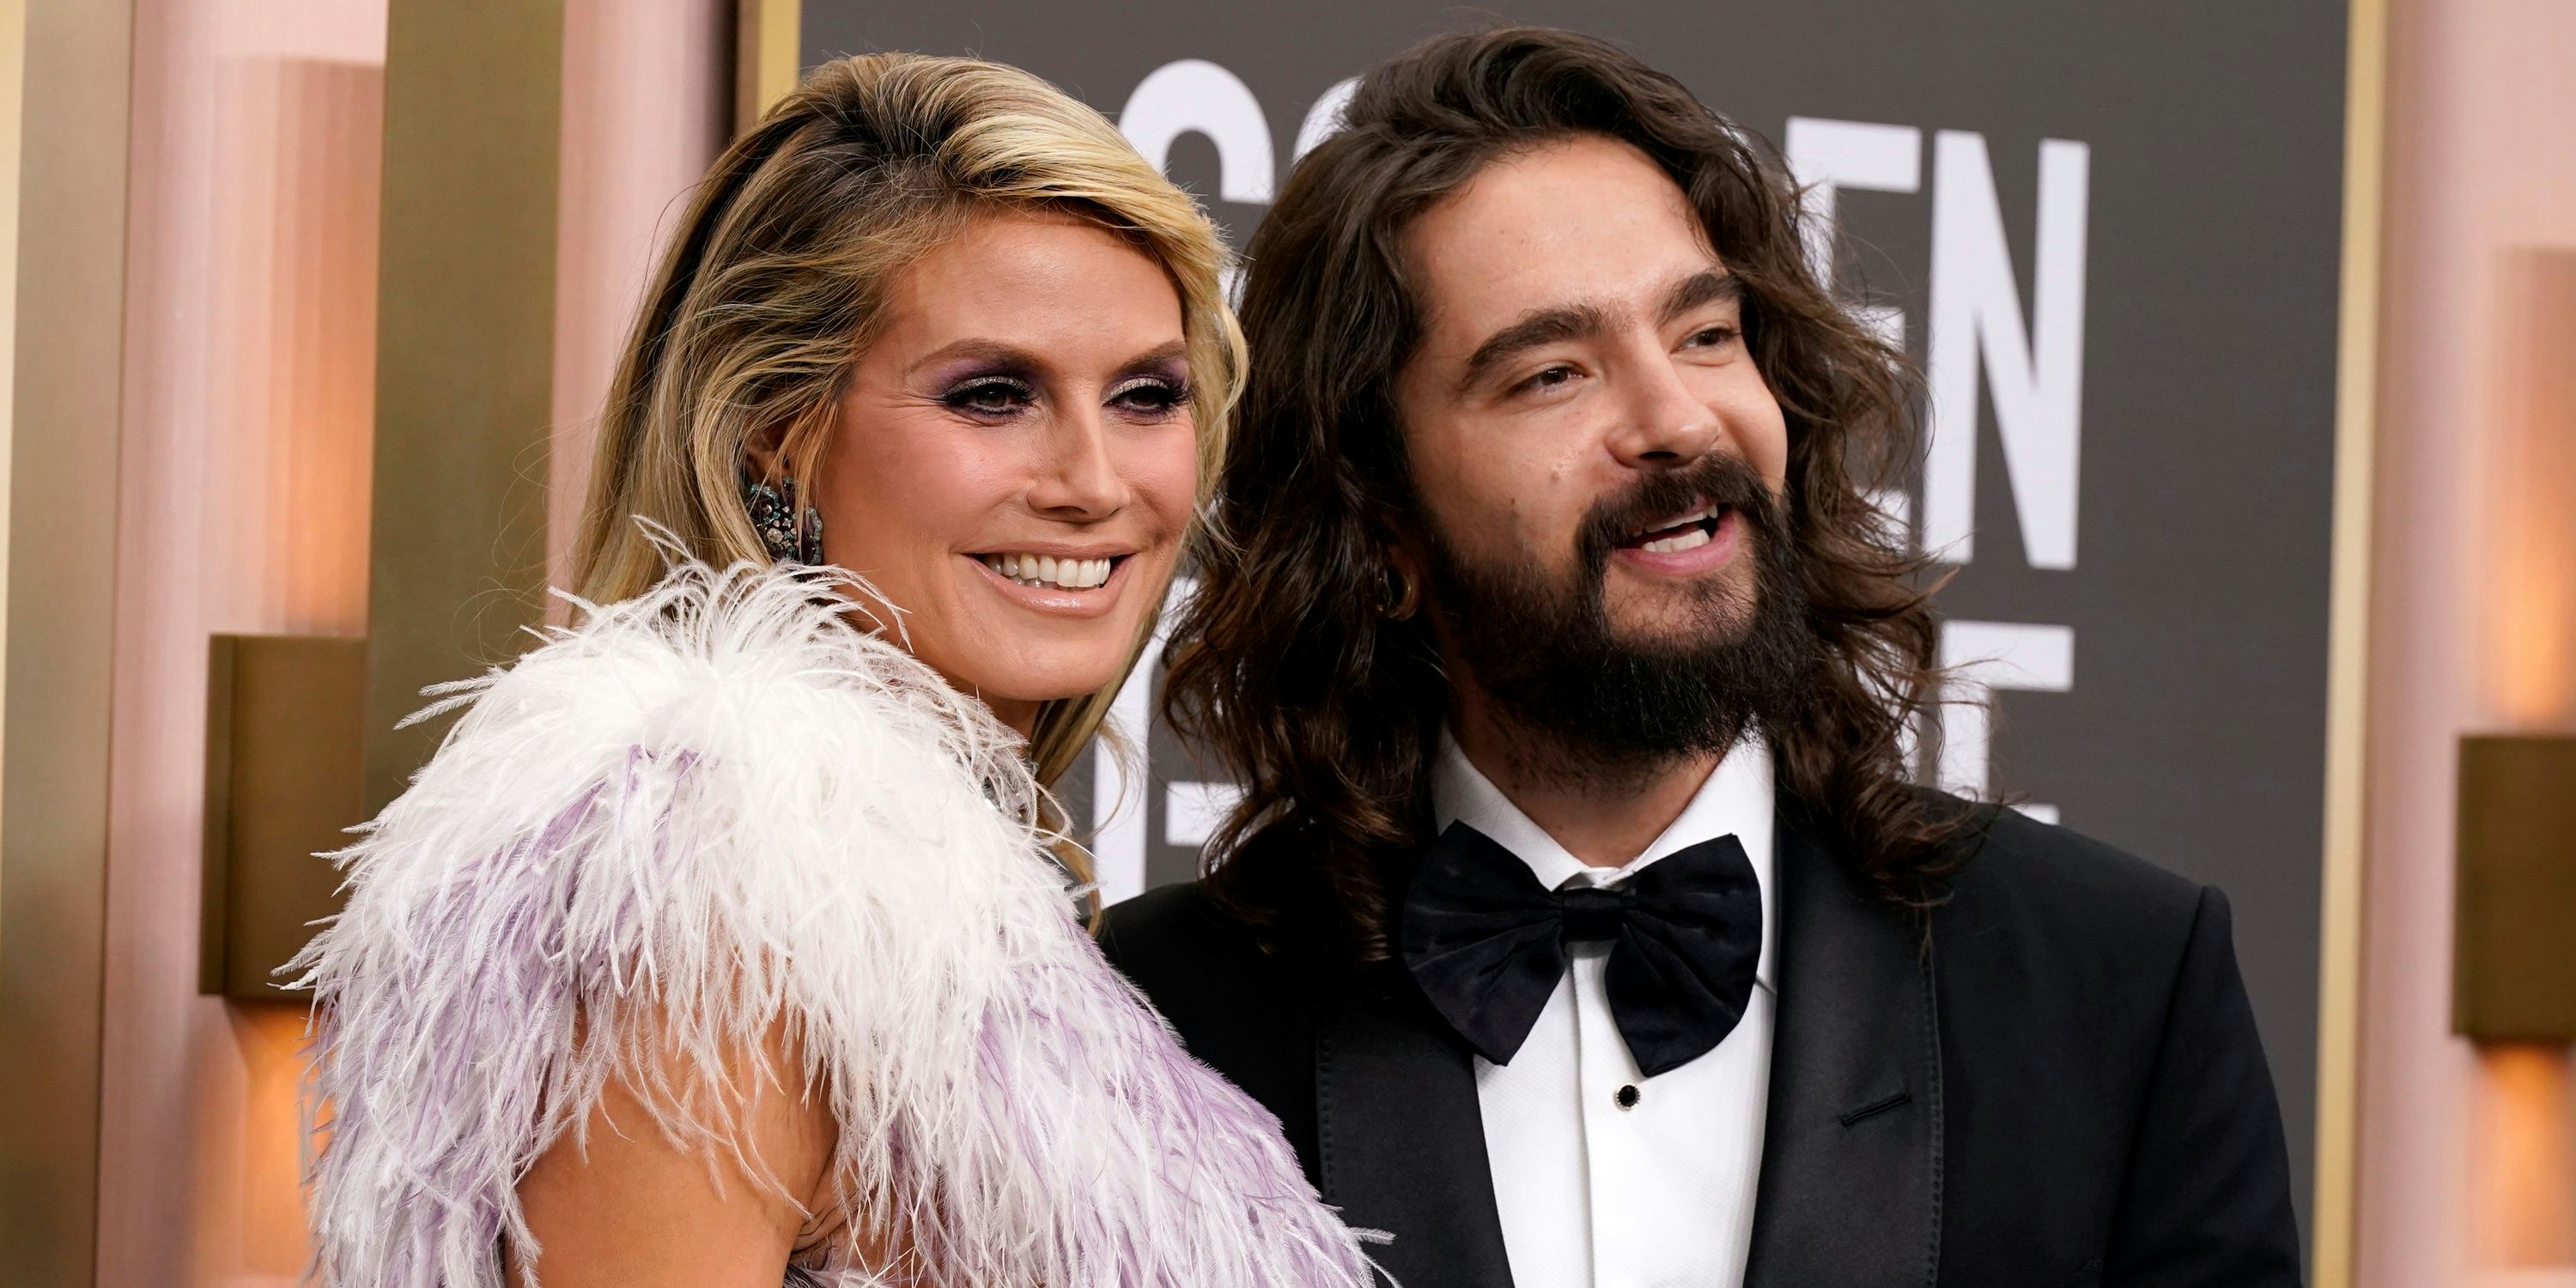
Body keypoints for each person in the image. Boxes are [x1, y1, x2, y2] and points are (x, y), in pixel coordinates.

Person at [1101, 26, 2303, 1288]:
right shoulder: (1155, 1024)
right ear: (1382, 525)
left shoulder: (2114, 983)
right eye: (1553, 373)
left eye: (1707, 334)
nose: (1676, 420)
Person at [292, 54, 1373, 1288]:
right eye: (992, 394)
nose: (1095, 482)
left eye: (1145, 395)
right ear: (777, 427)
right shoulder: (731, 887)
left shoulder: (912, 910)